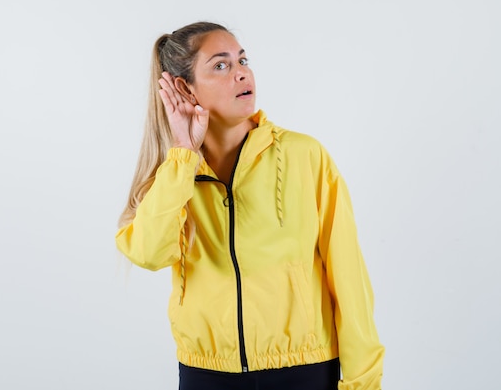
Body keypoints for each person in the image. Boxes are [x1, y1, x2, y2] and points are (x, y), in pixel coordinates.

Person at [115, 21, 384, 390]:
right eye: (221, 65)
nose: (242, 73)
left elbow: (350, 281)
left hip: (304, 371)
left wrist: (363, 383)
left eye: (243, 60)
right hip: (206, 376)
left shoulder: (304, 156)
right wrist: (182, 158)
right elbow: (148, 254)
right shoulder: (171, 178)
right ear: (182, 87)